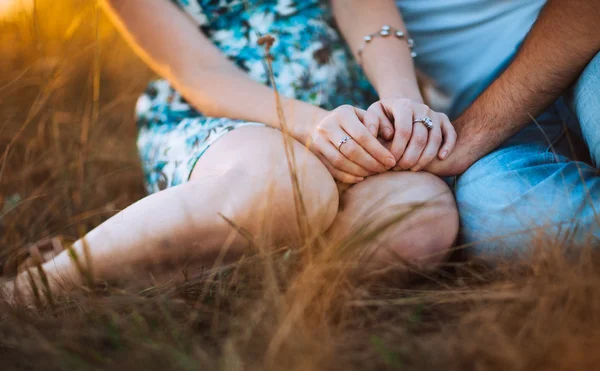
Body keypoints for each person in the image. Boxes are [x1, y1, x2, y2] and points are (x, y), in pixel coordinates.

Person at [2, 0, 459, 301]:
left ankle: (231, 289)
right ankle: (42, 286)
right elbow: (200, 73)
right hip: (224, 122)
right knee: (290, 188)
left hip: (352, 118)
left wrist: (400, 98)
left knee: (419, 220)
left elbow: (363, 8)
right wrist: (314, 123)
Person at [385, 0, 599, 258]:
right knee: (493, 209)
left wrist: (474, 133)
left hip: (586, 54)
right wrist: (406, 110)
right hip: (487, 112)